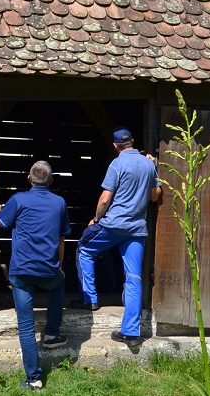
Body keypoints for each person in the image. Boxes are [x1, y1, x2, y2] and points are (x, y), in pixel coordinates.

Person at [75, 127, 162, 352]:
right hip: (136, 229)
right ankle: (131, 333)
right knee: (133, 277)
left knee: (84, 249)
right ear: (132, 142)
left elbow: (105, 199)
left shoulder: (117, 164)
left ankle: (90, 299)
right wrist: (154, 170)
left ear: (115, 146)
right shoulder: (148, 164)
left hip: (113, 225)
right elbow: (155, 196)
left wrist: (96, 219)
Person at [0, 160, 71, 390]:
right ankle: (51, 334)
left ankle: (34, 378)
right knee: (59, 283)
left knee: (26, 327)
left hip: (21, 272)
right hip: (48, 270)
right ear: (50, 180)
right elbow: (61, 239)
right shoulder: (59, 203)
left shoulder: (18, 200)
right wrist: (59, 266)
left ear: (28, 179)